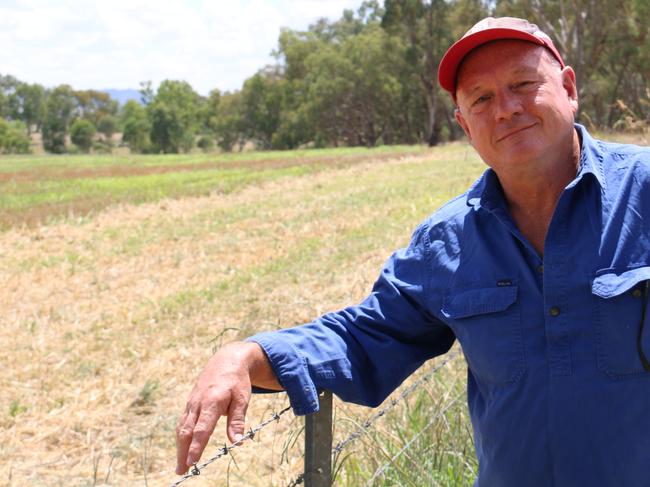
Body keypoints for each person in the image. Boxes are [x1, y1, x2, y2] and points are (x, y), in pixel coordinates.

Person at [176, 16, 650, 486]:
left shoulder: (643, 191)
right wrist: (248, 354)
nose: (505, 109)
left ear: (568, 88)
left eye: (523, 84)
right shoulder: (447, 242)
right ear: (466, 125)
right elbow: (365, 336)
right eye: (481, 99)